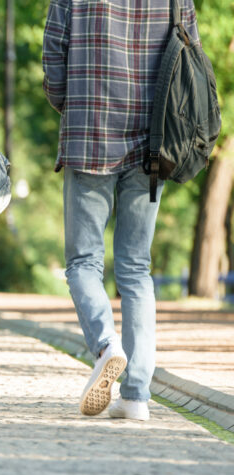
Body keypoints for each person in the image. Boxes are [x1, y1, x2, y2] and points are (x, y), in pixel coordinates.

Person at [43, 0, 202, 421]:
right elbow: (192, 55)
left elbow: (53, 55)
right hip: (154, 140)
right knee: (135, 267)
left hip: (89, 131)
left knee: (83, 262)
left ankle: (105, 346)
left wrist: (70, 105)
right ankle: (136, 396)